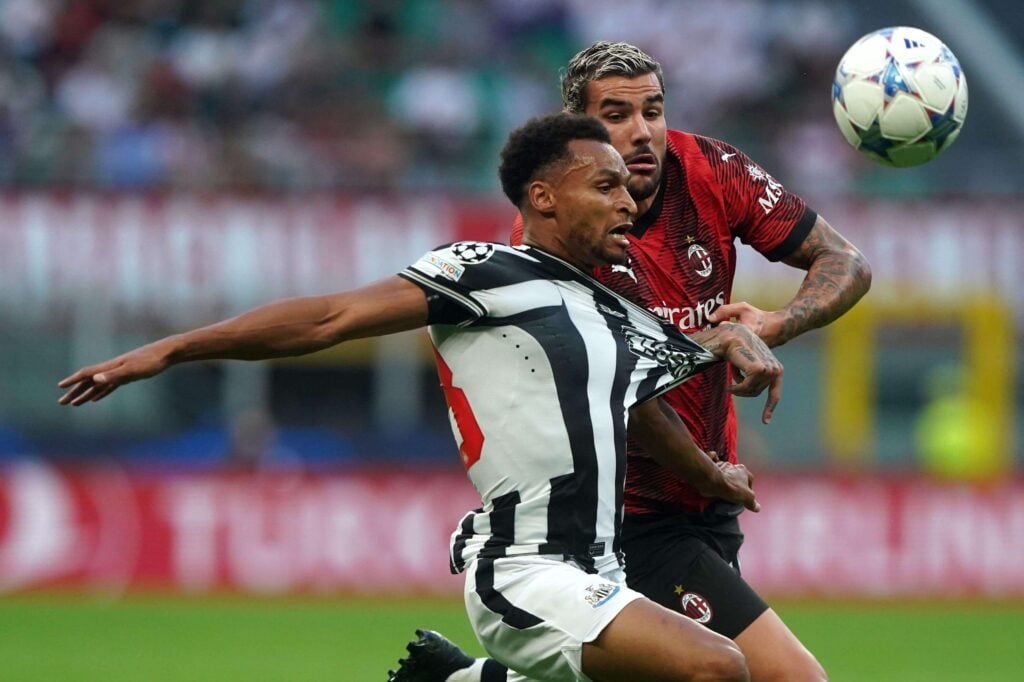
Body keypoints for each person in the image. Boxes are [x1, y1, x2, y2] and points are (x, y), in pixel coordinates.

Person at [59, 113, 785, 682]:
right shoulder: (482, 271)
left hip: (604, 570)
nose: (628, 201)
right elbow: (328, 318)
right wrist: (171, 349)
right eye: (605, 187)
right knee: (714, 668)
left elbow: (643, 407)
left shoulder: (607, 307)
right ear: (543, 198)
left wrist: (712, 457)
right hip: (525, 569)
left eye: (627, 189)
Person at [392, 42, 871, 682]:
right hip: (629, 513)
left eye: (654, 110)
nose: (642, 131)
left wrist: (776, 323)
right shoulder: (558, 238)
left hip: (703, 504)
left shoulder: (713, 170)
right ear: (581, 132)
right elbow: (627, 393)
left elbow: (846, 262)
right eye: (617, 115)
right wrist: (706, 471)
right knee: (788, 679)